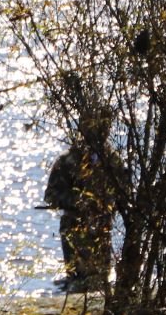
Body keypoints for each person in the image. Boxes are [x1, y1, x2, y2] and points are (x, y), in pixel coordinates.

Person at [43, 112, 121, 293]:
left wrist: (106, 202)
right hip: (74, 227)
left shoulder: (111, 159)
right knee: (77, 280)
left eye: (103, 127)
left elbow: (123, 191)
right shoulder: (67, 161)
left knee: (100, 280)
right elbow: (51, 195)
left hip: (101, 227)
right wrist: (78, 201)